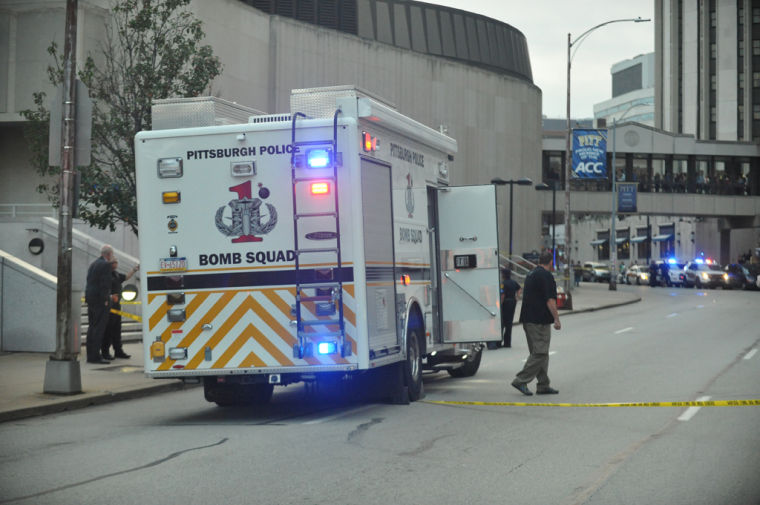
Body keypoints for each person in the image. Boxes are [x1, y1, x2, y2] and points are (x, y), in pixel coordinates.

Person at [510, 251, 561, 396]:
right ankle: (521, 380)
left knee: (539, 353)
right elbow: (550, 300)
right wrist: (557, 318)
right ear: (551, 262)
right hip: (539, 321)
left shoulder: (531, 274)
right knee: (540, 352)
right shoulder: (546, 276)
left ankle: (543, 385)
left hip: (528, 319)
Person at [101, 258, 138, 360]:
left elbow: (126, 277)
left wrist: (134, 270)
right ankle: (105, 352)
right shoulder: (106, 275)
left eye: (117, 262)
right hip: (109, 306)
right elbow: (102, 288)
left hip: (117, 306)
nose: (116, 264)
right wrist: (110, 296)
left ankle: (118, 351)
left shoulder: (116, 274)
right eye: (114, 262)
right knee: (108, 330)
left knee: (117, 329)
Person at [85, 244, 115, 364]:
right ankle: (95, 356)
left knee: (92, 327)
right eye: (112, 254)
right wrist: (105, 299)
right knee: (99, 328)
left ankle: (90, 355)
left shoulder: (94, 264)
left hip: (91, 298)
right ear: (108, 254)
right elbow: (105, 284)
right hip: (99, 300)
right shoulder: (105, 265)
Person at [499, 269, 521, 348]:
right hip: (512, 302)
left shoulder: (503, 284)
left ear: (504, 275)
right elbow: (519, 289)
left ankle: (499, 342)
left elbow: (502, 295)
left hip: (506, 303)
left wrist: (500, 305)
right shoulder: (513, 282)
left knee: (502, 323)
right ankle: (507, 343)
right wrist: (517, 297)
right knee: (509, 323)